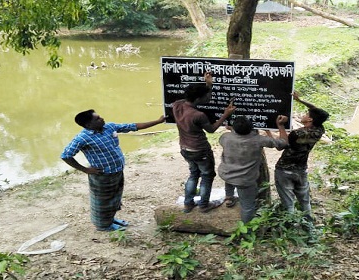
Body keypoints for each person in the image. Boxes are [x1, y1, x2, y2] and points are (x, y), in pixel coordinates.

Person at [61, 110, 166, 231]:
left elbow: (133, 126)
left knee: (115, 198)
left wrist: (158, 121)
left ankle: (110, 219)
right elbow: (66, 155)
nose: (102, 119)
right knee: (102, 202)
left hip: (117, 171)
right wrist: (85, 170)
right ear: (89, 125)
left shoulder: (109, 127)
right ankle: (103, 226)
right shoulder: (83, 138)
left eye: (100, 117)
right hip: (102, 175)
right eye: (97, 119)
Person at [173, 72, 236, 213]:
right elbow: (212, 129)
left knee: (193, 174)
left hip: (184, 148)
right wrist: (225, 115)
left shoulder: (177, 105)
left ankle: (188, 204)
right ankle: (203, 205)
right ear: (198, 98)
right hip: (200, 150)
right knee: (207, 176)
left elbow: (199, 97)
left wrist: (208, 84)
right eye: (206, 96)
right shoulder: (198, 115)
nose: (209, 98)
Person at [218, 115, 289, 223]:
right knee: (247, 206)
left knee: (230, 179)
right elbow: (283, 143)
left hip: (226, 173)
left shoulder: (225, 137)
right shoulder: (258, 140)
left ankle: (229, 196)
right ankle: (247, 232)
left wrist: (233, 130)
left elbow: (230, 137)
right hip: (245, 180)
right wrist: (280, 125)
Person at [274, 92, 329, 221]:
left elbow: (280, 146)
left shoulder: (297, 133)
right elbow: (316, 111)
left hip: (284, 169)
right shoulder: (319, 130)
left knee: (289, 203)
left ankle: (292, 226)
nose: (304, 115)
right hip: (301, 169)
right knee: (305, 201)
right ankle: (309, 228)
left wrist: (280, 126)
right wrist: (300, 100)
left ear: (310, 119)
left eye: (306, 114)